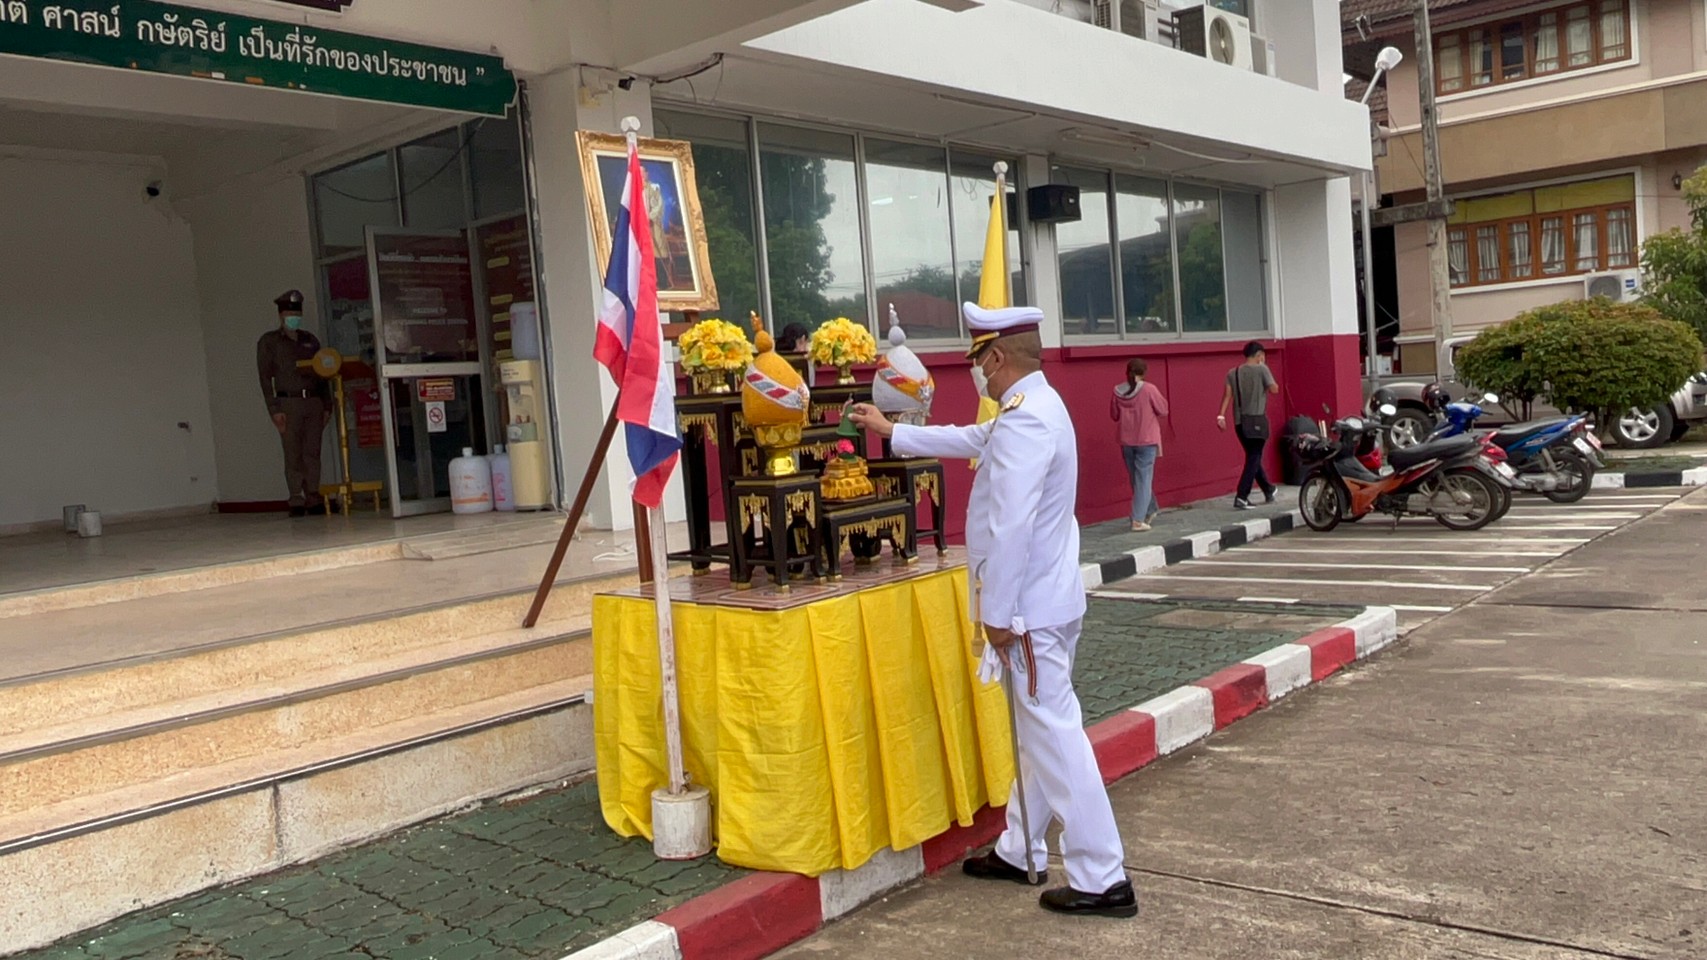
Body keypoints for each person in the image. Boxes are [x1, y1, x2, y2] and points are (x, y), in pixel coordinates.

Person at [849, 303, 1136, 920]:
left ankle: (1102, 875)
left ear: (997, 357)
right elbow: (971, 438)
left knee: (1054, 736)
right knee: (1036, 736)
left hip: (1027, 613)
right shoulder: (1035, 408)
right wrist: (892, 431)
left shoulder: (1026, 421)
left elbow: (1010, 527)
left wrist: (997, 615)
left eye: (977, 359)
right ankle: (1020, 848)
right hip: (1048, 602)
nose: (975, 371)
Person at [256, 290, 331, 517]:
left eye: (297, 314)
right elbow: (265, 378)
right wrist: (274, 409)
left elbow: (323, 373)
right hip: (288, 402)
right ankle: (296, 498)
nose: (294, 318)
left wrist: (327, 405)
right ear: (281, 315)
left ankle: (313, 496)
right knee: (293, 453)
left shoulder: (310, 340)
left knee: (312, 452)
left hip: (313, 401)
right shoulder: (270, 342)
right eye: (290, 314)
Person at [1217, 340, 1279, 509]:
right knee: (1254, 457)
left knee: (1253, 457)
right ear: (1259, 355)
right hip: (1257, 420)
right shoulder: (1262, 369)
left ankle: (1268, 489)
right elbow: (1274, 389)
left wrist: (1221, 415)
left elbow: (1227, 395)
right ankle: (1242, 496)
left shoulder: (1233, 372)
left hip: (1240, 422)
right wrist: (1264, 370)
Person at [1110, 357, 1168, 532]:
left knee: (1136, 479)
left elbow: (1114, 415)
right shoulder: (1149, 389)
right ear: (1144, 372)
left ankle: (1150, 509)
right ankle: (1137, 519)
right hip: (1146, 440)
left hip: (1126, 440)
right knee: (1143, 479)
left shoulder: (1118, 391)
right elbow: (1163, 409)